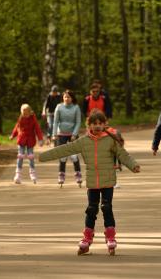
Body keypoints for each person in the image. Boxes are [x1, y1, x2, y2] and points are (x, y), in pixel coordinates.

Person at [39, 109, 140, 256]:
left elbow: (123, 154)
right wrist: (44, 156)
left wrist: (133, 165)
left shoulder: (110, 140)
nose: (98, 126)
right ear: (89, 125)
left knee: (106, 208)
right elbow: (66, 149)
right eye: (94, 123)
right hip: (93, 182)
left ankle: (110, 237)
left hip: (107, 181)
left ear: (105, 124)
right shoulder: (84, 142)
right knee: (92, 209)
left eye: (100, 123)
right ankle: (87, 239)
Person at [52, 90, 83, 187]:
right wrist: (54, 134)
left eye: (69, 97)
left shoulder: (76, 108)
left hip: (72, 135)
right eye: (65, 97)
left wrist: (74, 134)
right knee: (63, 156)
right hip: (61, 134)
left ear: (72, 98)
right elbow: (55, 122)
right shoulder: (59, 107)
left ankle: (78, 174)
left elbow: (78, 122)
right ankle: (61, 175)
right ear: (63, 98)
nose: (67, 99)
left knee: (74, 156)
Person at [10, 104, 44, 184]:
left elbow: (37, 129)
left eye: (26, 114)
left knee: (30, 156)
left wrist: (40, 139)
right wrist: (13, 135)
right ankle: (18, 175)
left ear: (30, 112)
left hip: (30, 140)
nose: (24, 115)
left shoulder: (33, 119)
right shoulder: (21, 118)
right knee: (20, 156)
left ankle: (32, 173)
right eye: (23, 113)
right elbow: (17, 127)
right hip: (21, 139)